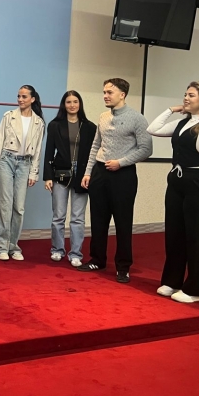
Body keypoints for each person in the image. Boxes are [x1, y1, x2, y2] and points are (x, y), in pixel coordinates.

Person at [147, 82, 199, 303]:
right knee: (175, 234)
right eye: (185, 94)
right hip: (178, 184)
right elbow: (153, 129)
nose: (186, 98)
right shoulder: (183, 123)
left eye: (191, 95)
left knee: (197, 238)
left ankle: (195, 290)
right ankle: (173, 281)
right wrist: (171, 110)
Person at [78, 78, 152, 283]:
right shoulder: (103, 117)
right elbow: (96, 145)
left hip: (123, 175)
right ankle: (97, 259)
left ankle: (123, 267)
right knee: (98, 219)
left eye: (110, 92)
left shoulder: (137, 119)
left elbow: (146, 149)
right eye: (104, 92)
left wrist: (121, 162)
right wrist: (87, 172)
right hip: (99, 173)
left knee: (123, 222)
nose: (105, 96)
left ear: (122, 94)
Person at [0, 85, 45, 261]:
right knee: (4, 205)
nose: (20, 99)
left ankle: (13, 245)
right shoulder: (9, 116)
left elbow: (37, 150)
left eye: (24, 96)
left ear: (32, 99)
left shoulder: (39, 122)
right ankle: (1, 246)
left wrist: (34, 173)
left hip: (25, 164)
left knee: (19, 207)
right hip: (6, 160)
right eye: (19, 96)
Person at [43, 91, 97, 267]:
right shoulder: (55, 125)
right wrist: (48, 177)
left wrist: (90, 174)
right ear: (63, 104)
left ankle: (76, 253)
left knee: (77, 218)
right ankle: (57, 249)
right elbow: (49, 152)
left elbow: (93, 153)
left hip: (82, 176)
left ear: (80, 104)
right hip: (60, 174)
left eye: (75, 101)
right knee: (58, 216)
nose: (72, 105)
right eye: (68, 102)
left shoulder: (90, 127)